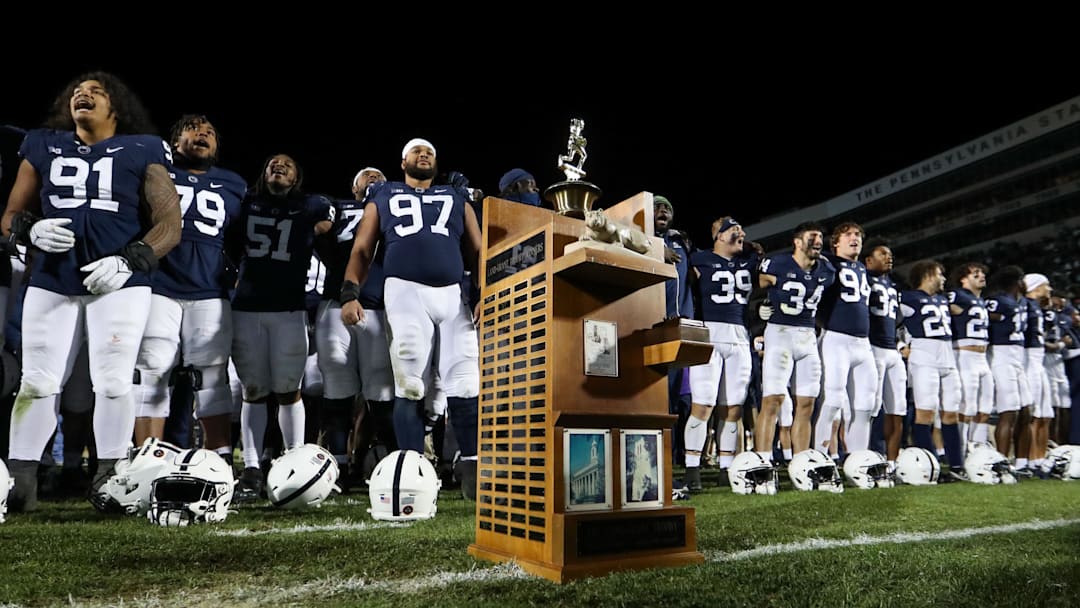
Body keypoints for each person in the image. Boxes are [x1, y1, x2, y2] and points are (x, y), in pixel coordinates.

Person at [1, 71, 182, 512]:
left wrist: (131, 259)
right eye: (78, 91)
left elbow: (169, 223)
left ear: (115, 107)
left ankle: (110, 476)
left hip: (117, 281)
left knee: (114, 380)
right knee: (37, 382)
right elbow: (9, 216)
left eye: (96, 92)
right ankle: (23, 481)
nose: (84, 94)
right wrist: (28, 229)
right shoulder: (42, 143)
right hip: (52, 278)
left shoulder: (143, 148)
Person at [340, 138, 482, 499]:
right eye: (417, 150)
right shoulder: (384, 194)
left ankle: (473, 468)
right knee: (410, 382)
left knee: (465, 381)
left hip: (454, 292)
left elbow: (479, 249)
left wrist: (483, 293)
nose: (424, 154)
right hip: (405, 291)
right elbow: (362, 247)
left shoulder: (455, 196)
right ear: (402, 161)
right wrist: (349, 292)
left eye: (431, 151)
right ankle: (413, 469)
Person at [132, 115, 246, 471]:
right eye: (194, 129)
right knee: (152, 369)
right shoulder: (154, 172)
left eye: (210, 132)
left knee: (212, 376)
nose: (203, 135)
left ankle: (219, 463)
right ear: (175, 140)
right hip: (159, 285)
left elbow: (243, 239)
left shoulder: (234, 184)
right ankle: (148, 460)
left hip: (209, 290)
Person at [230, 153, 333, 501]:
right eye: (272, 162)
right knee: (253, 389)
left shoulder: (309, 205)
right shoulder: (245, 202)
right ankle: (253, 467)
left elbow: (330, 219)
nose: (278, 166)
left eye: (287, 164)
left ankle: (296, 460)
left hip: (289, 308)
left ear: (297, 178)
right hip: (246, 307)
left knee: (290, 388)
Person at [683, 216, 757, 491]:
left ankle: (727, 469)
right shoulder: (699, 259)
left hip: (739, 336)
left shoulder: (749, 260)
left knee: (733, 409)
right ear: (719, 235)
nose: (742, 234)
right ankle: (693, 470)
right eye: (736, 231)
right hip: (709, 333)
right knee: (703, 405)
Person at [756, 221, 836, 458]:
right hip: (780, 333)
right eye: (813, 237)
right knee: (773, 400)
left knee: (807, 404)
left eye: (821, 237)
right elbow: (759, 285)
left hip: (808, 336)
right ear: (798, 242)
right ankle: (763, 461)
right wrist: (763, 307)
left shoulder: (826, 269)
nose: (818, 242)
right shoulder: (777, 263)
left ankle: (802, 462)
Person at [900, 260, 966, 481]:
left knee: (951, 413)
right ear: (928, 274)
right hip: (924, 355)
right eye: (940, 274)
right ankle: (929, 466)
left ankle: (957, 465)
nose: (944, 279)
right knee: (925, 413)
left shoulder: (941, 298)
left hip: (947, 355)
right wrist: (900, 345)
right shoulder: (907, 297)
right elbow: (890, 320)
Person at [814, 222, 876, 456]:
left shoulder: (861, 267)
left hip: (863, 342)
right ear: (836, 242)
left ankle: (858, 459)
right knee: (832, 401)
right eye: (848, 234)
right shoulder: (828, 262)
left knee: (865, 406)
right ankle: (821, 457)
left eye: (858, 234)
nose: (855, 238)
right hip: (837, 339)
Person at [653, 195, 695, 480]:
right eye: (656, 206)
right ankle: (661, 464)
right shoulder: (641, 238)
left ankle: (679, 459)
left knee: (685, 401)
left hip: (683, 328)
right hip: (655, 327)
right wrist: (656, 248)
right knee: (660, 401)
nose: (663, 211)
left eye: (667, 207)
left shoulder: (681, 241)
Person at [864, 240, 907, 472]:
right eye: (882, 254)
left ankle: (892, 462)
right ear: (868, 260)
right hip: (872, 347)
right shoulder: (863, 278)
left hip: (892, 349)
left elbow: (898, 320)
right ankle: (869, 455)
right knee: (871, 406)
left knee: (897, 407)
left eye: (889, 254)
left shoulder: (893, 284)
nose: (888, 257)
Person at [985, 265, 1033, 470]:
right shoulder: (998, 300)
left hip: (1017, 358)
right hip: (1002, 356)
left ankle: (1021, 463)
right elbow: (984, 317)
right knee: (1008, 412)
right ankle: (1001, 462)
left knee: (1026, 411)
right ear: (1017, 282)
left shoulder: (1019, 302)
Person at [946, 262, 993, 450]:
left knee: (985, 406)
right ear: (963, 279)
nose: (981, 275)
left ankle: (979, 448)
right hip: (964, 354)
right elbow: (942, 305)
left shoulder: (980, 300)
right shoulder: (957, 294)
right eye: (975, 273)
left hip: (982, 356)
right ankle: (961, 449)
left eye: (982, 272)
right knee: (967, 405)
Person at [1021, 273, 1054, 476]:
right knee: (1033, 415)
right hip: (1028, 360)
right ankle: (1031, 459)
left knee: (1046, 415)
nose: (1049, 290)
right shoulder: (1025, 304)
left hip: (1039, 361)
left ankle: (1040, 459)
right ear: (1035, 287)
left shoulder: (1037, 307)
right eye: (1046, 285)